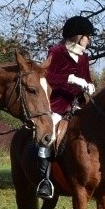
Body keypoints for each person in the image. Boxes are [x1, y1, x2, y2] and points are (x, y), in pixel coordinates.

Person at [36, 15, 96, 199]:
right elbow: (46, 78)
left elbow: (86, 79)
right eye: (87, 36)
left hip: (78, 106)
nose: (89, 39)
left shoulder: (84, 58)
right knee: (49, 136)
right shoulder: (56, 52)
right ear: (78, 36)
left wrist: (89, 85)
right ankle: (44, 180)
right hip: (57, 105)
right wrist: (69, 79)